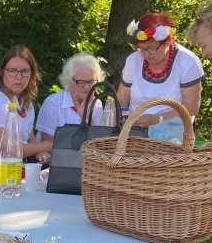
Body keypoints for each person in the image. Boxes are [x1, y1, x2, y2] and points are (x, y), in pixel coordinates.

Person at [117, 12, 205, 141]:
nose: (145, 54)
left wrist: (159, 119)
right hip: (134, 134)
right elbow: (121, 99)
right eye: (141, 48)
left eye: (151, 48)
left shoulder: (188, 62)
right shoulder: (133, 61)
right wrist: (124, 119)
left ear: (167, 42)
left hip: (173, 135)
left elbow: (191, 106)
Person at [0, 45, 51, 165]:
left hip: (15, 168)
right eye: (13, 71)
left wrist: (39, 154)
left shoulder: (26, 101)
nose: (19, 77)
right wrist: (47, 145)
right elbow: (8, 149)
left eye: (25, 71)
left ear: (32, 75)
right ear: (2, 72)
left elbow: (29, 138)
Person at [36, 53, 106, 144]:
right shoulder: (53, 103)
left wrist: (84, 118)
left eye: (91, 82)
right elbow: (47, 144)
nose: (87, 87)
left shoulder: (97, 104)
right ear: (69, 81)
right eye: (81, 82)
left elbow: (97, 142)